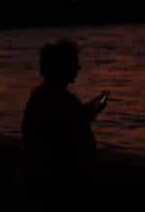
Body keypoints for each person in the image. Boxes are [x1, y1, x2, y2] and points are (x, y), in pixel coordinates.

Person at [21, 39, 108, 196]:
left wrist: (90, 109)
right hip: (61, 185)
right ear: (62, 67)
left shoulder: (39, 96)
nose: (78, 68)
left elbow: (68, 122)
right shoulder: (63, 100)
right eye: (74, 63)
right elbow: (73, 127)